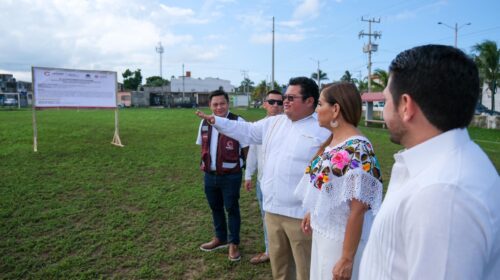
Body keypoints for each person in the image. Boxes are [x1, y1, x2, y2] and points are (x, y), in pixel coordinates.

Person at [359, 45, 500, 279]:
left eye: (385, 101)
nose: (384, 111)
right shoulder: (445, 168)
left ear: (406, 105)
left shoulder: (443, 195)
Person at [196, 77, 330, 280]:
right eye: (285, 97)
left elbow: (327, 175)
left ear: (310, 101)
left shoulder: (322, 130)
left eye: (291, 98)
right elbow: (246, 130)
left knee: (305, 269)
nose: (285, 101)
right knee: (280, 267)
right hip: (272, 210)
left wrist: (315, 208)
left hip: (301, 215)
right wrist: (217, 122)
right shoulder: (273, 123)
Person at [295, 82, 383, 280]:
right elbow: (331, 186)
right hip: (323, 234)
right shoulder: (334, 141)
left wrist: (346, 258)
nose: (316, 110)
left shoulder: (358, 148)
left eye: (320, 104)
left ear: (335, 109)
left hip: (340, 242)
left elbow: (358, 209)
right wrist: (313, 210)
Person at [195, 89, 248, 262]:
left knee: (232, 208)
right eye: (215, 104)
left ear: (228, 103)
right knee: (215, 207)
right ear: (210, 105)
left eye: (222, 103)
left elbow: (246, 147)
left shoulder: (238, 121)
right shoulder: (204, 123)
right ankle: (220, 238)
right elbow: (202, 146)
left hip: (231, 175)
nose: (219, 107)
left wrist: (247, 171)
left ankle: (233, 243)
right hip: (210, 175)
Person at [244, 89, 284, 265]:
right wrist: (248, 175)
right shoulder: (258, 126)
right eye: (272, 102)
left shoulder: (290, 126)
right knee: (266, 217)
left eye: (280, 102)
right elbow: (252, 152)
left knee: (287, 219)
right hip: (262, 182)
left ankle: (286, 252)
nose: (276, 105)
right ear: (265, 104)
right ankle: (270, 251)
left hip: (284, 183)